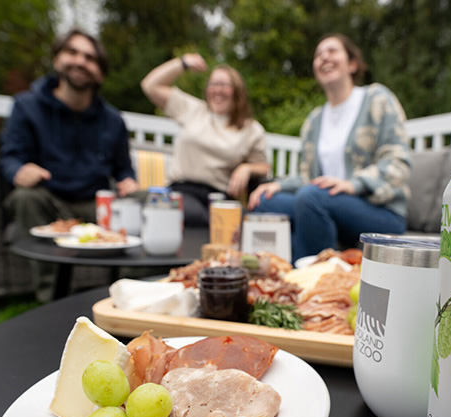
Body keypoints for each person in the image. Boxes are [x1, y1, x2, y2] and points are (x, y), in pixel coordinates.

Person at [0, 29, 138, 301]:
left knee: (141, 200)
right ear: (57, 59)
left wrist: (128, 181)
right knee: (26, 198)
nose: (80, 61)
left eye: (90, 58)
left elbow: (123, 168)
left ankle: (130, 293)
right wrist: (19, 171)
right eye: (72, 52)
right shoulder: (26, 107)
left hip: (96, 204)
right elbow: (10, 157)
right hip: (50, 199)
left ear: (100, 73)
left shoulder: (113, 120)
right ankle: (50, 297)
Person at [248, 34, 411, 262]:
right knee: (265, 202)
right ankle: (280, 268)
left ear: (352, 64)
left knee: (310, 197)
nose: (324, 57)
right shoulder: (314, 120)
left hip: (378, 210)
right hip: (323, 202)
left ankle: (309, 275)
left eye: (332, 51)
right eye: (318, 54)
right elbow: (308, 178)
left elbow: (397, 162)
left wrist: (353, 184)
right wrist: (277, 185)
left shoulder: (377, 99)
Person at [140, 54, 270, 226]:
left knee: (243, 224)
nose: (218, 90)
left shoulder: (251, 129)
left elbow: (264, 167)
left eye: (224, 85)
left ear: (238, 90)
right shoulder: (192, 109)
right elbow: (150, 85)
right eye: (213, 84)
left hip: (219, 196)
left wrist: (246, 168)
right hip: (182, 190)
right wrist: (182, 63)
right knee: (196, 216)